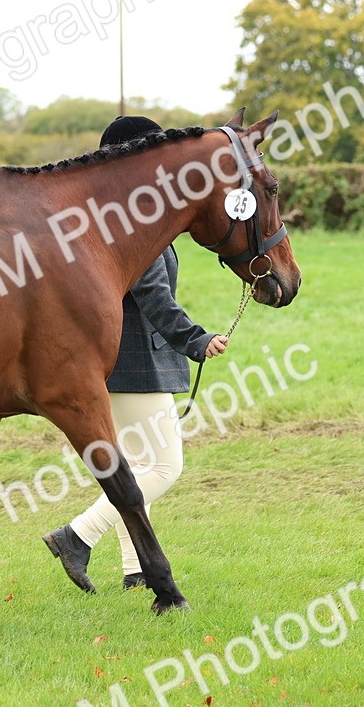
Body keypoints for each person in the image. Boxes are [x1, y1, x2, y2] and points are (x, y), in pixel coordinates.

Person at [42, 115, 228, 592]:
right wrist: (197, 339)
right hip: (135, 364)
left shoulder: (117, 219)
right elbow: (154, 298)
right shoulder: (131, 226)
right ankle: (77, 535)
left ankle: (134, 569)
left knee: (136, 467)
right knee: (164, 467)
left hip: (131, 361)